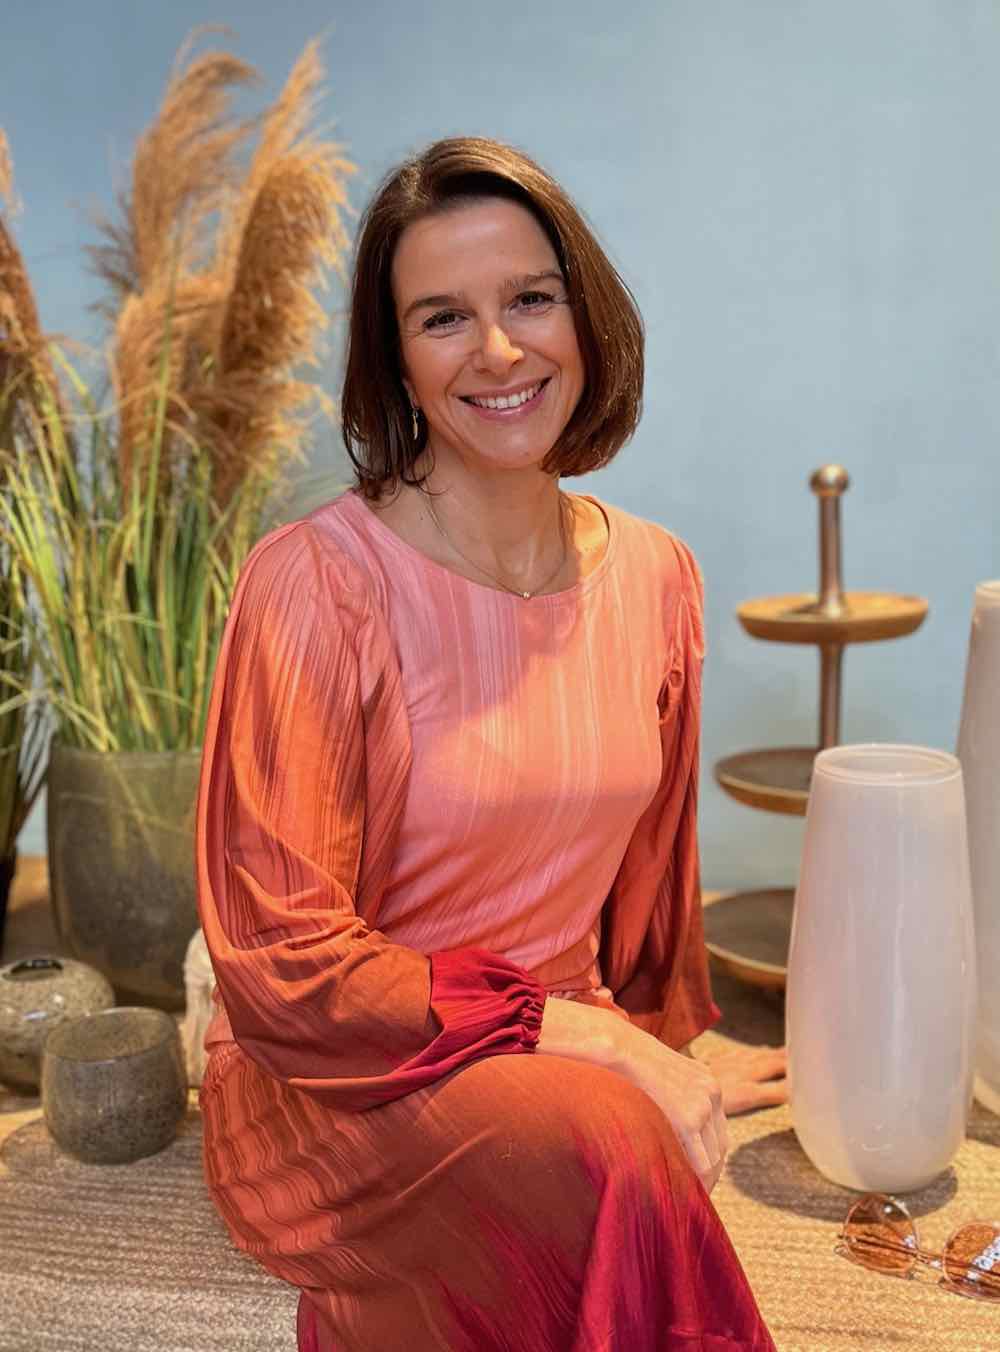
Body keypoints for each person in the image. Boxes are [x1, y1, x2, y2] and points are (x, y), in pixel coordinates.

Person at [196, 135, 785, 1352]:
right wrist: (585, 1042)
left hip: (561, 1053)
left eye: (529, 298)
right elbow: (285, 966)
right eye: (443, 317)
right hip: (343, 1080)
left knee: (613, 1132)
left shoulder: (658, 576)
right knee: (613, 1150)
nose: (500, 350)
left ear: (586, 316)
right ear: (399, 363)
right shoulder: (315, 584)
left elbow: (647, 882)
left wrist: (660, 1044)